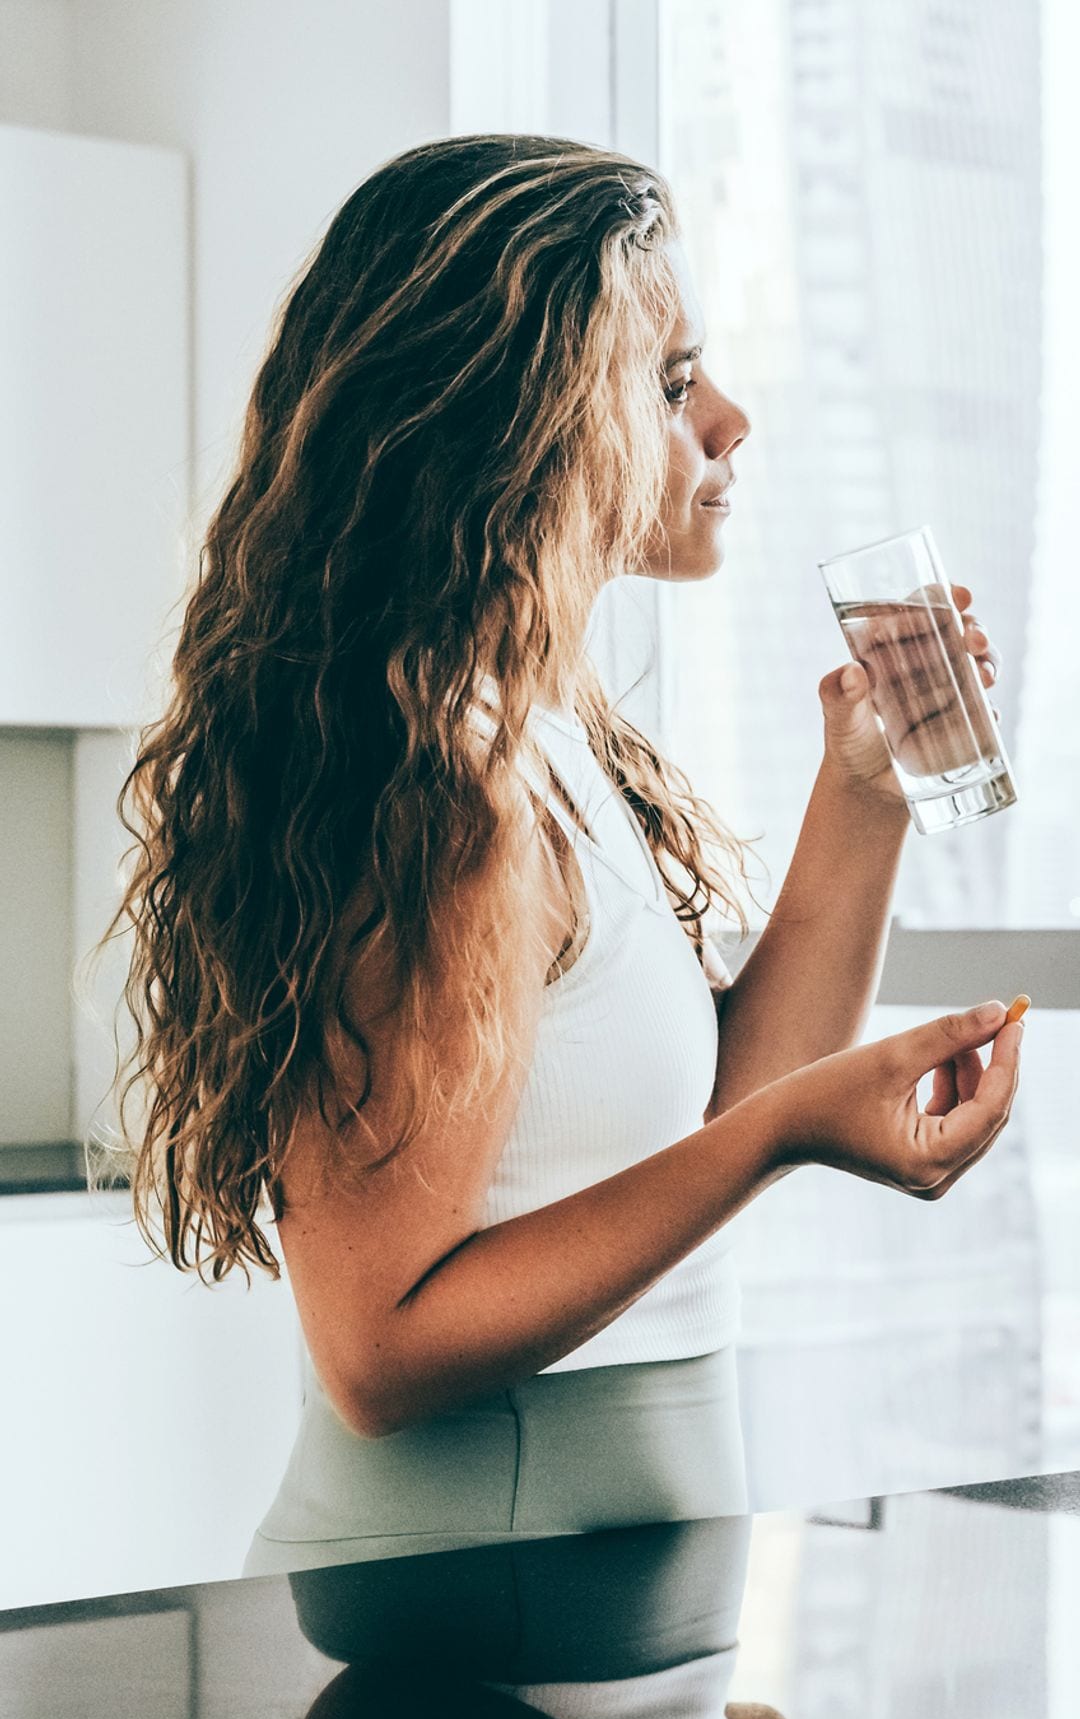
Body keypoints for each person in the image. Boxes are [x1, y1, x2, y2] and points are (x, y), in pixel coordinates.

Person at [90, 134, 1022, 1573]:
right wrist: (788, 1137)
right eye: (667, 384)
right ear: (516, 419)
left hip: (580, 1590)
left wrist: (867, 793)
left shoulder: (543, 735)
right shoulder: (445, 789)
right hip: (467, 1597)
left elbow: (725, 1096)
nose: (729, 420)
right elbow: (378, 1349)